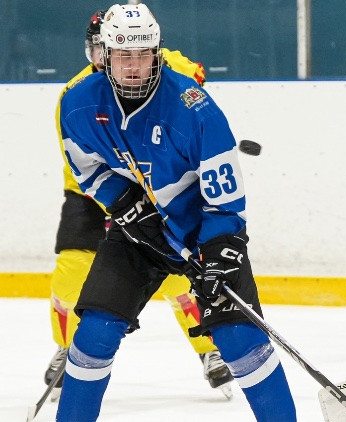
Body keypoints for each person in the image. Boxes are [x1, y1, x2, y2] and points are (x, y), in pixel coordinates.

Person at [56, 4, 296, 421]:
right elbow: (87, 167)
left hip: (201, 231)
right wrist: (126, 206)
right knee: (94, 331)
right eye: (124, 55)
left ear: (158, 53)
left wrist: (219, 251)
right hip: (137, 234)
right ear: (105, 55)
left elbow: (224, 197)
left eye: (143, 54)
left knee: (240, 339)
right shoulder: (76, 103)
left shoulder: (195, 107)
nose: (134, 66)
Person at [44, 9, 231, 401]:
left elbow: (190, 78)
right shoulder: (74, 94)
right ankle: (67, 347)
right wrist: (118, 204)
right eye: (98, 50)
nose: (103, 58)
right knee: (71, 269)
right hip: (93, 192)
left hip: (153, 187)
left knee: (177, 271)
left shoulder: (158, 65)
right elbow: (81, 163)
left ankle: (209, 351)